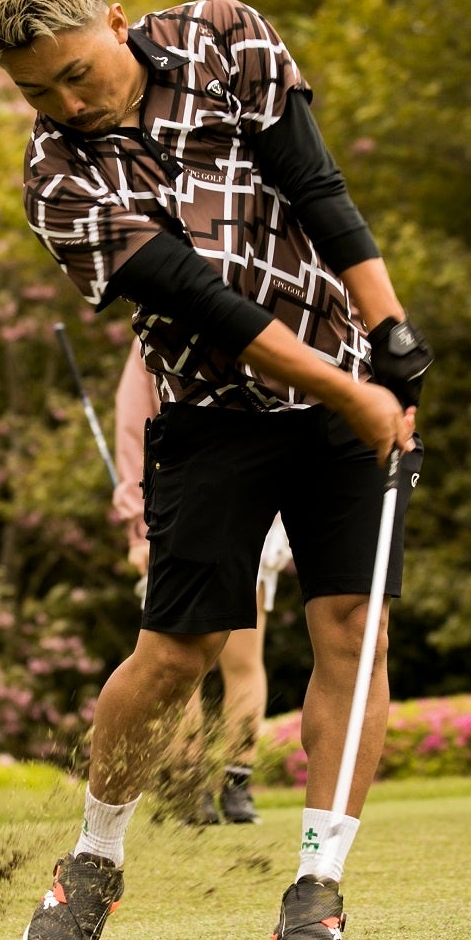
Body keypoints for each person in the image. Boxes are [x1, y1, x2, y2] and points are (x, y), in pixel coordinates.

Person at [0, 0, 432, 940]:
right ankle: (94, 856)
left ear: (117, 19)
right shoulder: (56, 178)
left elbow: (314, 184)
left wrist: (386, 327)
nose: (63, 101)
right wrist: (349, 387)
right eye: (32, 89)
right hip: (210, 408)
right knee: (175, 653)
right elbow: (203, 303)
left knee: (352, 631)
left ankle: (317, 883)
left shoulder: (224, 36)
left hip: (338, 391)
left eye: (74, 72)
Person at [113, 343, 283, 826]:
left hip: (187, 503)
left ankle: (194, 790)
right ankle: (236, 790)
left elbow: (134, 426)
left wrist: (135, 523)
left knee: (179, 657)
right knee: (242, 661)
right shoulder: (266, 312)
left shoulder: (158, 323)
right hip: (260, 501)